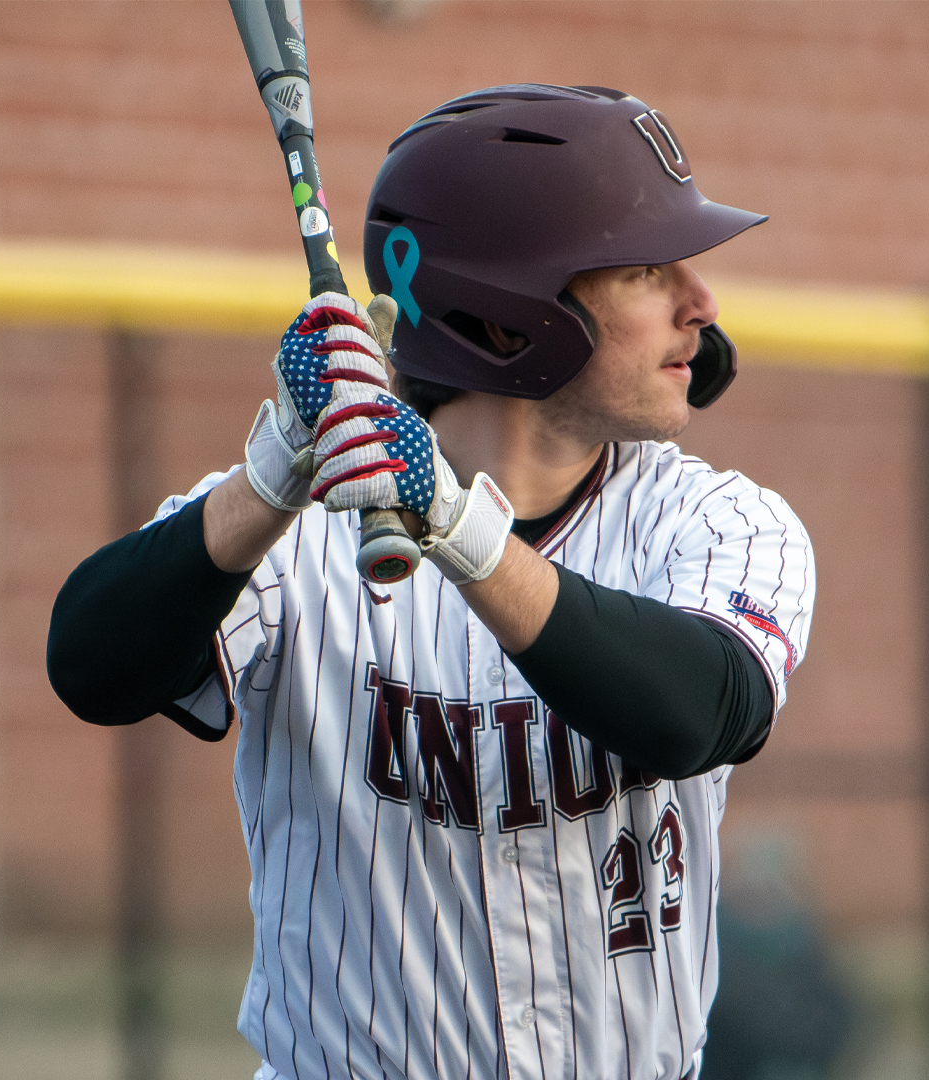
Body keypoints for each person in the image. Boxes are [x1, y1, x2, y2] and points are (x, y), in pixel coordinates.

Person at [48, 84, 815, 1080]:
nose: (700, 306)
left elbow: (697, 711)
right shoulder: (293, 522)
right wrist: (271, 476)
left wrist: (455, 526)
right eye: (644, 270)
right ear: (509, 322)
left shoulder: (715, 522)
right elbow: (89, 666)